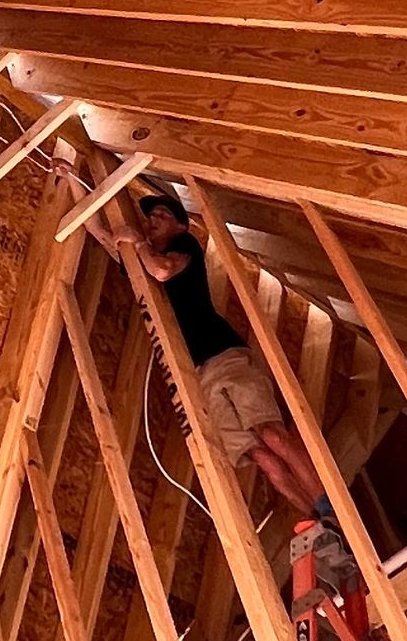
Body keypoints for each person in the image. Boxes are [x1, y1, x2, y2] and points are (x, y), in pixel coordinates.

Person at [109, 188, 332, 520]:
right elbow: (103, 235)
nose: (153, 220)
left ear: (181, 227)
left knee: (271, 434)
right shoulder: (142, 261)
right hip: (199, 373)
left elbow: (162, 271)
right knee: (262, 459)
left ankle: (331, 507)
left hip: (224, 354)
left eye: (163, 215)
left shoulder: (184, 248)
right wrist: (69, 179)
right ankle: (318, 521)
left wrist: (138, 242)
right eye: (150, 216)